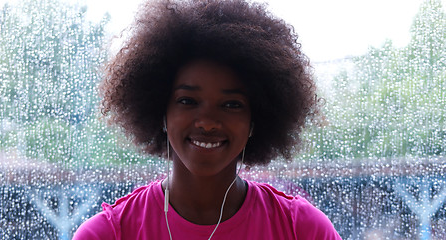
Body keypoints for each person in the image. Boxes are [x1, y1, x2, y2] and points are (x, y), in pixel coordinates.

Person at [73, 0, 342, 239]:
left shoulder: (302, 229)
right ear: (161, 111)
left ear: (256, 120)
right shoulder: (108, 234)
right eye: (187, 101)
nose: (208, 122)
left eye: (231, 104)